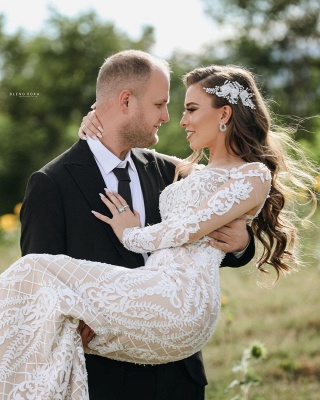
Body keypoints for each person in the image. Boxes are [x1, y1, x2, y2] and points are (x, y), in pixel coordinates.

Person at [0, 56, 316, 399]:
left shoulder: (168, 170)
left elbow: (227, 199)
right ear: (124, 101)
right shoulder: (52, 183)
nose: (170, 118)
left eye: (181, 107)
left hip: (175, 373)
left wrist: (242, 242)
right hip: (105, 376)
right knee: (29, 275)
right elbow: (43, 287)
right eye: (160, 104)